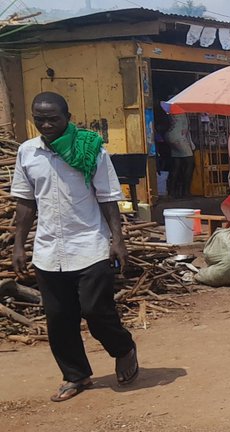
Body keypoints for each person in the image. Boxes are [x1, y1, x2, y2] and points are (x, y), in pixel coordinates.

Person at [10, 92, 139, 402]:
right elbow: (26, 203)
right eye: (39, 118)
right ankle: (76, 375)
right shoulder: (28, 152)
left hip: (89, 245)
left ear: (67, 116)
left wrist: (118, 241)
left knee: (96, 311)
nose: (46, 124)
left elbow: (109, 198)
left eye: (53, 118)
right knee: (59, 318)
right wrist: (19, 246)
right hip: (48, 250)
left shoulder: (91, 150)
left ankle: (124, 349)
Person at [165, 107, 195, 198]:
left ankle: (171, 191)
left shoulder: (170, 108)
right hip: (179, 137)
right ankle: (185, 191)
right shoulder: (180, 107)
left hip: (171, 135)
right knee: (190, 162)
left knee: (176, 164)